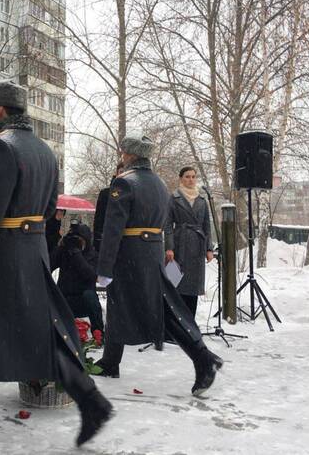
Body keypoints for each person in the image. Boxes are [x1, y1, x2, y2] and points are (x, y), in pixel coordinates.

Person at [0, 81, 112, 447]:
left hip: (2, 255)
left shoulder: (2, 146)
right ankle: (90, 401)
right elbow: (48, 211)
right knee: (42, 335)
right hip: (33, 254)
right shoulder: (44, 151)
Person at [94, 134, 223, 397]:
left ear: (129, 155)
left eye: (123, 153)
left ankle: (203, 358)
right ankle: (110, 361)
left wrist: (104, 268)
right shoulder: (158, 184)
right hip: (151, 253)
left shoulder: (124, 183)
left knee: (159, 312)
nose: (122, 156)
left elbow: (113, 229)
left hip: (130, 256)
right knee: (150, 308)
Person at [163, 166, 214, 318]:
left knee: (193, 288)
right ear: (181, 179)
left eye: (193, 177)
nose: (191, 180)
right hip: (180, 246)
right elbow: (167, 225)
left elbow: (206, 225)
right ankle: (175, 325)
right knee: (176, 284)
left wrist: (209, 249)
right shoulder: (174, 198)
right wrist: (169, 247)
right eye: (187, 177)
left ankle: (190, 323)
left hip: (197, 247)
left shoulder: (202, 200)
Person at [51, 221, 103, 342]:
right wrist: (60, 247)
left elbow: (91, 276)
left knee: (90, 296)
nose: (75, 242)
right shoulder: (65, 252)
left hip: (83, 301)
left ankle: (98, 332)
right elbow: (49, 264)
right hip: (64, 299)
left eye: (78, 239)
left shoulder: (93, 255)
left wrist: (77, 254)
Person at [93, 163, 124, 252]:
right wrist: (97, 240)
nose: (123, 175)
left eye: (126, 172)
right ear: (116, 173)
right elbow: (98, 219)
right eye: (121, 172)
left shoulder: (133, 193)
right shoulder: (105, 194)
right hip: (108, 239)